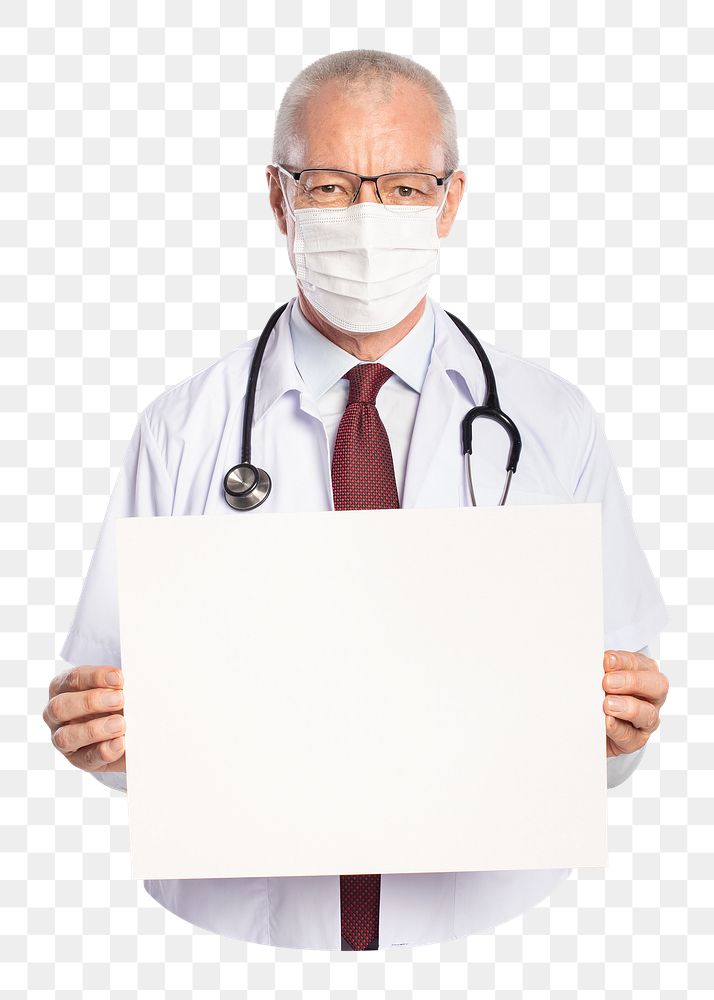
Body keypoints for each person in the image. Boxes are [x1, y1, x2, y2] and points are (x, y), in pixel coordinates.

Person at [43, 50, 670, 951]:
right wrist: (97, 731)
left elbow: (611, 728)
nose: (371, 218)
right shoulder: (182, 429)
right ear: (278, 197)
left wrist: (622, 727)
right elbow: (115, 710)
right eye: (332, 186)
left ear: (451, 202)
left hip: (491, 935)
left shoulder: (549, 422)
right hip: (237, 940)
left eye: (407, 188)